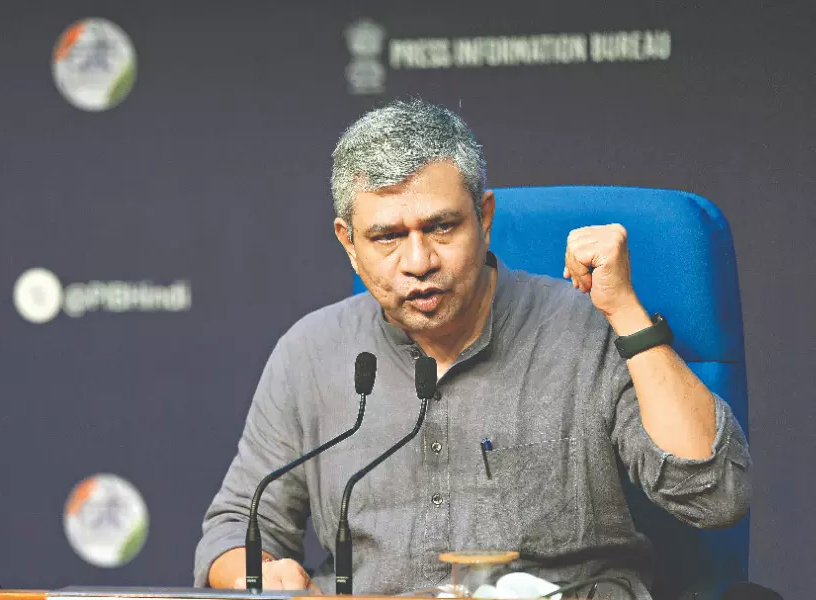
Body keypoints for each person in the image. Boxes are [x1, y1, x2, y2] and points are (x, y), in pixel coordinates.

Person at [193, 100, 751, 599]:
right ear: (349, 243)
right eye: (387, 237)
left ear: (483, 218)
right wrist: (256, 574)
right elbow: (235, 528)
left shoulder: (586, 326)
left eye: (441, 227)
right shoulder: (310, 353)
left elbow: (715, 496)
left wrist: (627, 312)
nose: (418, 262)